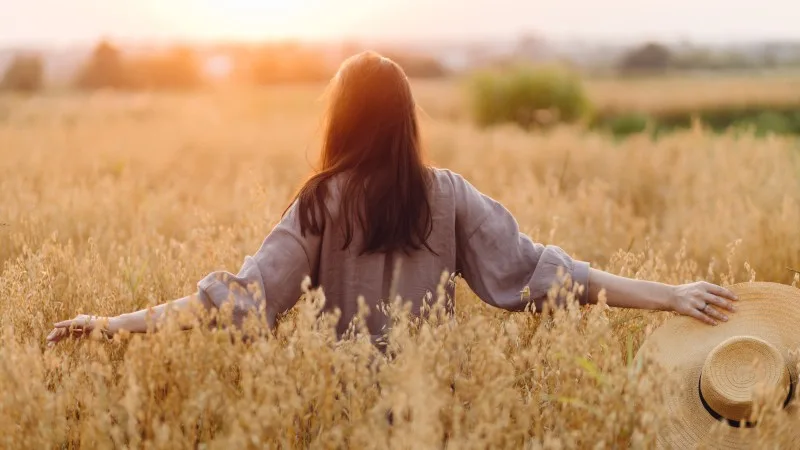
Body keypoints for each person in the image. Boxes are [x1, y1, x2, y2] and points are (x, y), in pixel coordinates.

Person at [46, 51, 738, 346]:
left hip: (338, 412)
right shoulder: (449, 195)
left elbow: (238, 302)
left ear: (340, 119)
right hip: (429, 412)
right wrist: (670, 293)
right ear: (406, 119)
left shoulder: (319, 203)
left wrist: (112, 323)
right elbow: (545, 276)